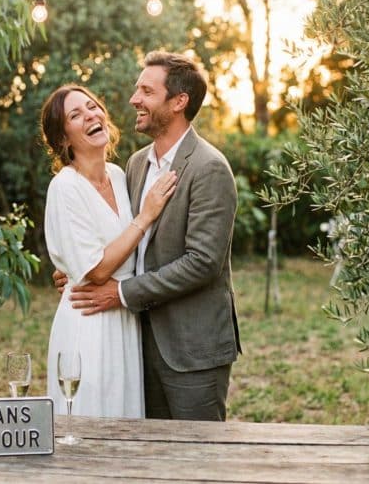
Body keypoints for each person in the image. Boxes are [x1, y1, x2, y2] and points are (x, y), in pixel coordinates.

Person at [60, 51, 241, 421]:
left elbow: (202, 263)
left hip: (192, 349)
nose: (133, 100)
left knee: (196, 460)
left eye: (146, 91)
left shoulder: (209, 169)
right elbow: (127, 236)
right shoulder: (136, 163)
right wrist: (80, 267)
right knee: (150, 457)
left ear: (178, 102)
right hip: (138, 344)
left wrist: (121, 293)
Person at [40, 84, 177, 418]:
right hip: (89, 321)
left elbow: (126, 249)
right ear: (64, 138)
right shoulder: (65, 187)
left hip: (125, 320)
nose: (90, 115)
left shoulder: (119, 175)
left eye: (92, 106)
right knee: (90, 420)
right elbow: (97, 270)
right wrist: (146, 215)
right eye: (76, 114)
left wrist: (73, 270)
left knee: (125, 420)